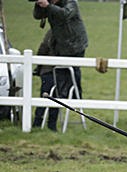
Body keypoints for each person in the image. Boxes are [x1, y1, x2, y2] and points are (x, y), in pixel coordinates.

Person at [33, 0, 88, 129]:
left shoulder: (70, 3)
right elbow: (37, 16)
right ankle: (49, 123)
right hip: (61, 49)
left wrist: (48, 6)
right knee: (57, 86)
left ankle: (76, 96)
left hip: (75, 47)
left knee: (69, 81)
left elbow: (65, 14)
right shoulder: (52, 7)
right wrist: (39, 5)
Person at [32, 30, 58, 131]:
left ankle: (38, 122)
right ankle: (51, 125)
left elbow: (43, 48)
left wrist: (39, 66)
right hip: (60, 72)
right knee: (55, 97)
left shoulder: (53, 31)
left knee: (45, 96)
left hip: (48, 70)